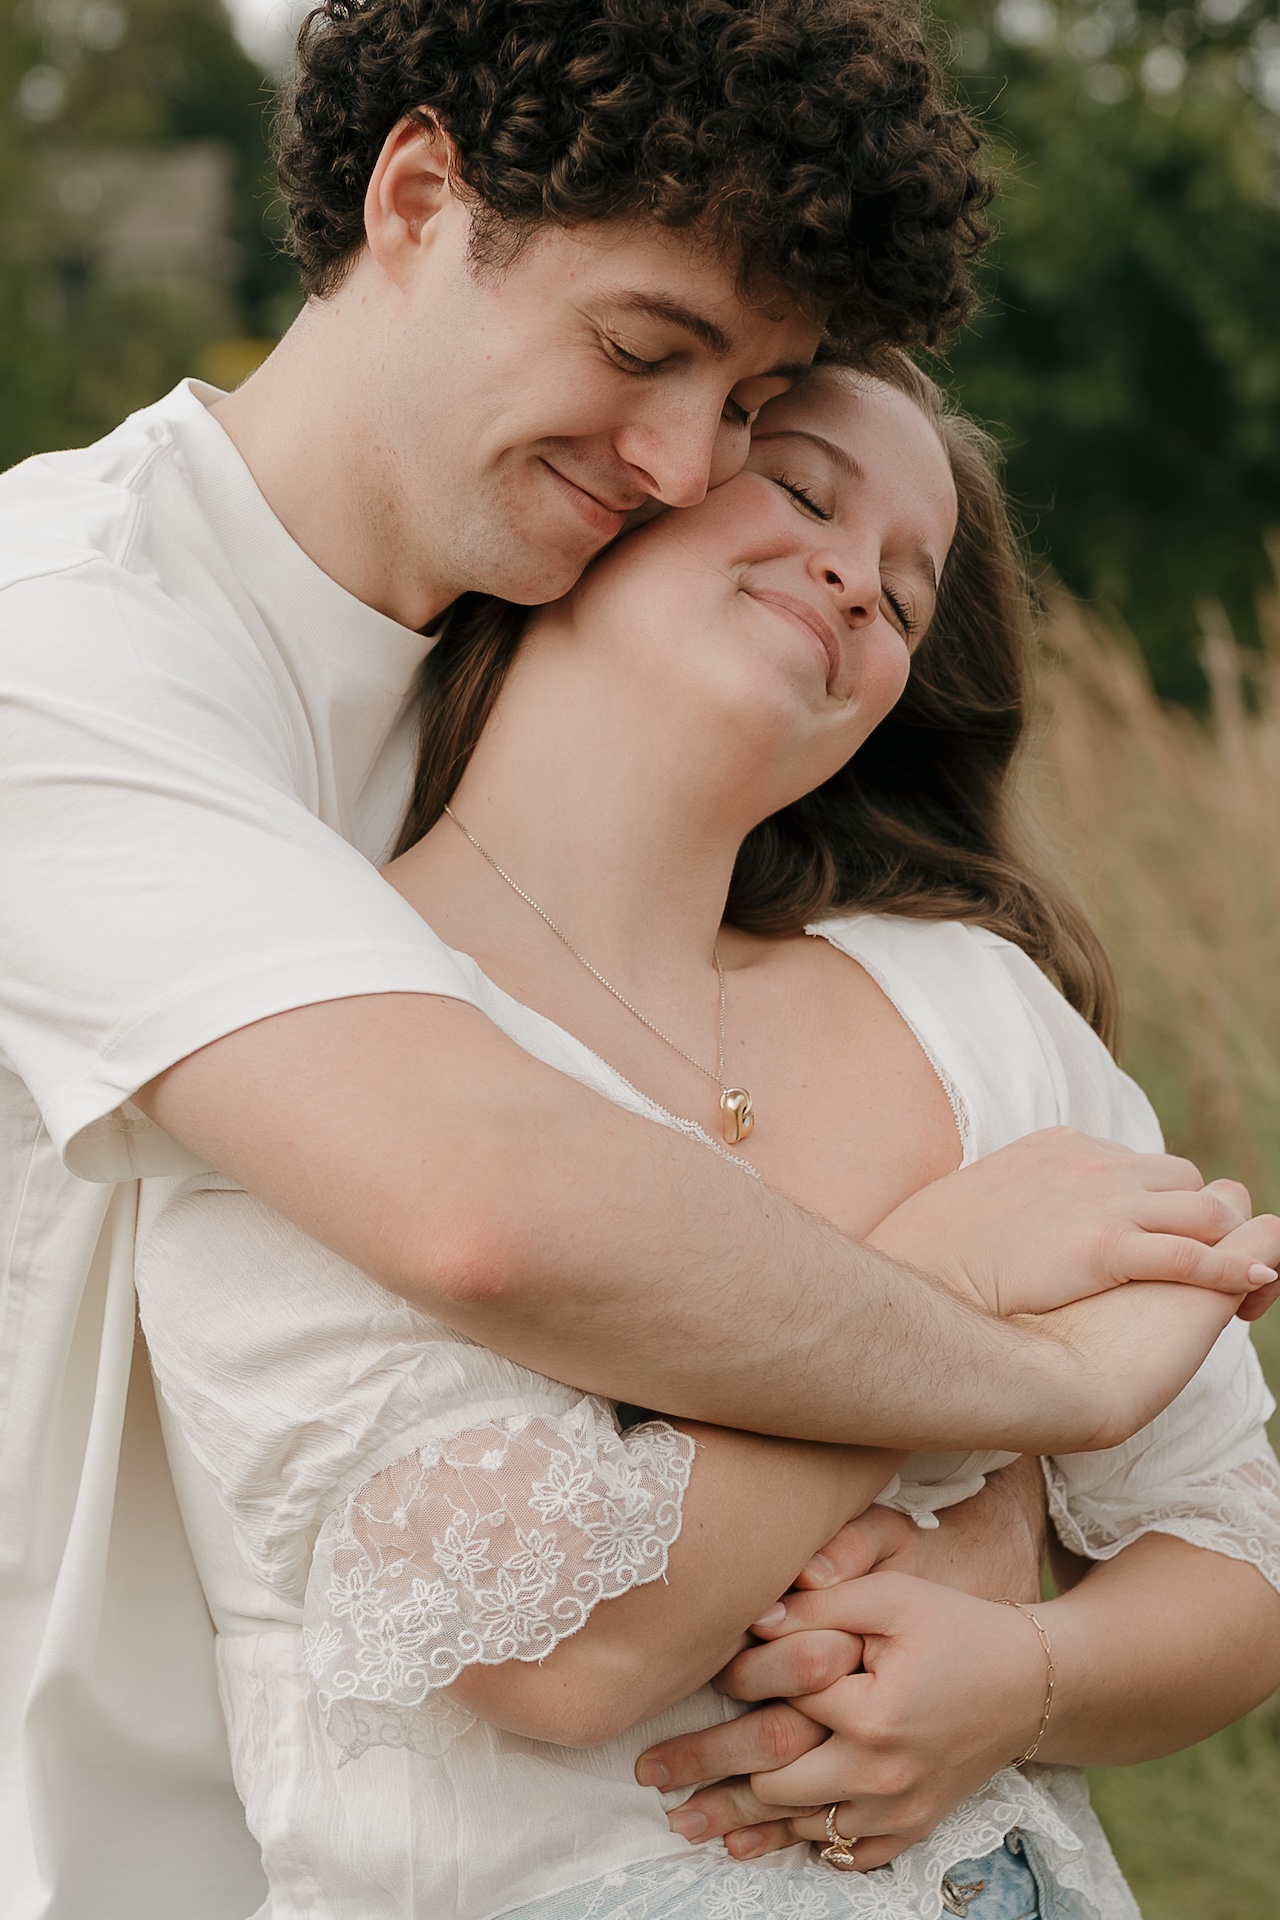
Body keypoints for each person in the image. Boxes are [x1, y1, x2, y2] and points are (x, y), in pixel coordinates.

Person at [0, 1, 1273, 1913]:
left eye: (751, 403)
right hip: (129, 1822)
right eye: (642, 351)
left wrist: (1022, 1633)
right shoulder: (70, 644)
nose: (687, 463)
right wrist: (1023, 1380)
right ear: (417, 196)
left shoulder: (522, 607)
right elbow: (488, 1205)